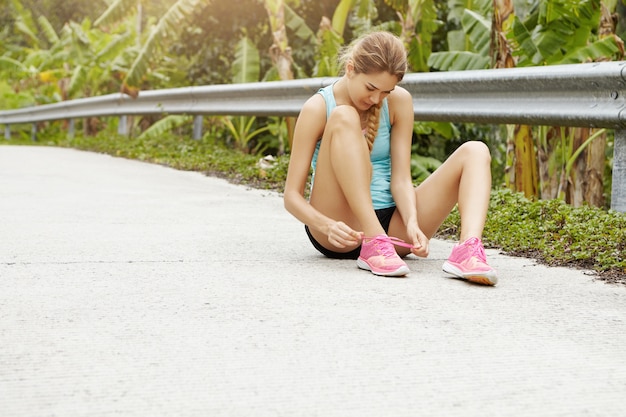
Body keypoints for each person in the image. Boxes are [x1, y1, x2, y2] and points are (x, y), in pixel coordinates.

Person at [283, 31, 497, 286]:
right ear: (350, 69)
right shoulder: (318, 107)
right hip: (338, 228)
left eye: (386, 91)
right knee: (344, 116)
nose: (376, 99)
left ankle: (468, 251)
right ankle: (374, 240)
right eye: (371, 88)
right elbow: (291, 197)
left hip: (392, 229)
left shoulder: (399, 102)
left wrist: (412, 221)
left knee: (476, 150)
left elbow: (401, 179)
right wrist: (327, 225)